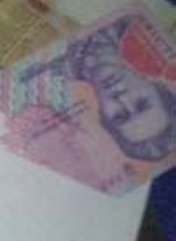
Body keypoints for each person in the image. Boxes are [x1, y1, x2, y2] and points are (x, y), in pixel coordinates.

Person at [19, 16, 176, 162]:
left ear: (102, 116)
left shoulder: (41, 71)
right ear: (157, 86)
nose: (122, 99)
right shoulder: (130, 21)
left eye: (119, 116)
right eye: (141, 103)